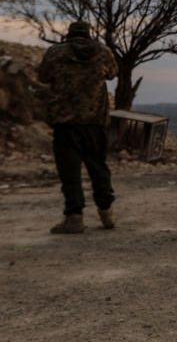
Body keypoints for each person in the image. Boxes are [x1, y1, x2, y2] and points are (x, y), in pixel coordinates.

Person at [37, 20, 119, 234]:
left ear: (69, 35)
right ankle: (106, 212)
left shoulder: (55, 53)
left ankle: (74, 217)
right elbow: (112, 73)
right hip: (95, 122)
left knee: (70, 172)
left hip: (66, 122)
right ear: (88, 34)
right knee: (98, 166)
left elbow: (43, 76)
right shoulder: (103, 52)